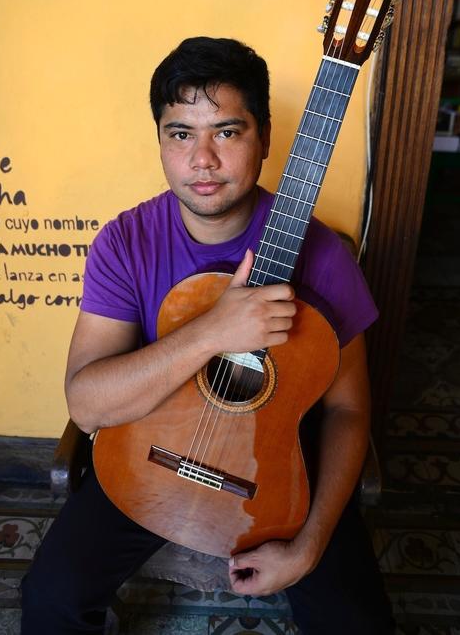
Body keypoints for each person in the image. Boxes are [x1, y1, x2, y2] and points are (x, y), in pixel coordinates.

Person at [21, 36, 394, 634]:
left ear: (264, 139)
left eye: (226, 132)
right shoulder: (125, 242)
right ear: (160, 142)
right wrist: (212, 332)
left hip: (277, 468)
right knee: (49, 598)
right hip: (149, 459)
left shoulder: (324, 257)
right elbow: (87, 404)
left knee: (359, 623)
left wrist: (311, 543)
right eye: (180, 133)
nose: (202, 159)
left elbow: (349, 410)